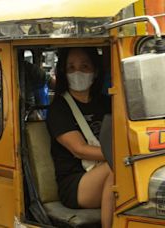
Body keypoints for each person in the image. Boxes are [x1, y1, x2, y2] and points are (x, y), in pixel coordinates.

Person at [46, 47, 113, 228]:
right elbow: (79, 149)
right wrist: (120, 156)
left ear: (95, 71)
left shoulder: (107, 103)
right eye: (71, 68)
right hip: (76, 182)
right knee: (116, 171)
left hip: (105, 168)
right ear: (64, 72)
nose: (78, 72)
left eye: (84, 66)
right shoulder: (58, 109)